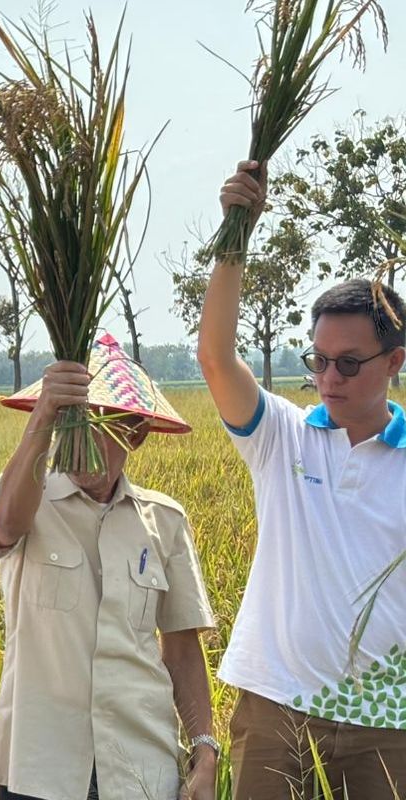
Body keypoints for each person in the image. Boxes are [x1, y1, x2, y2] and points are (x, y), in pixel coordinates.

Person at [206, 162, 406, 797]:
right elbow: (216, 356)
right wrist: (236, 235)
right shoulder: (282, 438)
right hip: (276, 708)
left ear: (395, 362)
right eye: (318, 361)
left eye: (349, 363)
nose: (329, 379)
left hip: (389, 723)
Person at [0, 334, 217, 800]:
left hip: (139, 765)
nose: (85, 442)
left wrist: (204, 748)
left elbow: (182, 647)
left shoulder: (164, 520)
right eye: (76, 424)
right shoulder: (23, 498)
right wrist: (46, 415)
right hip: (39, 768)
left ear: (137, 433)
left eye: (104, 428)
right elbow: (5, 527)